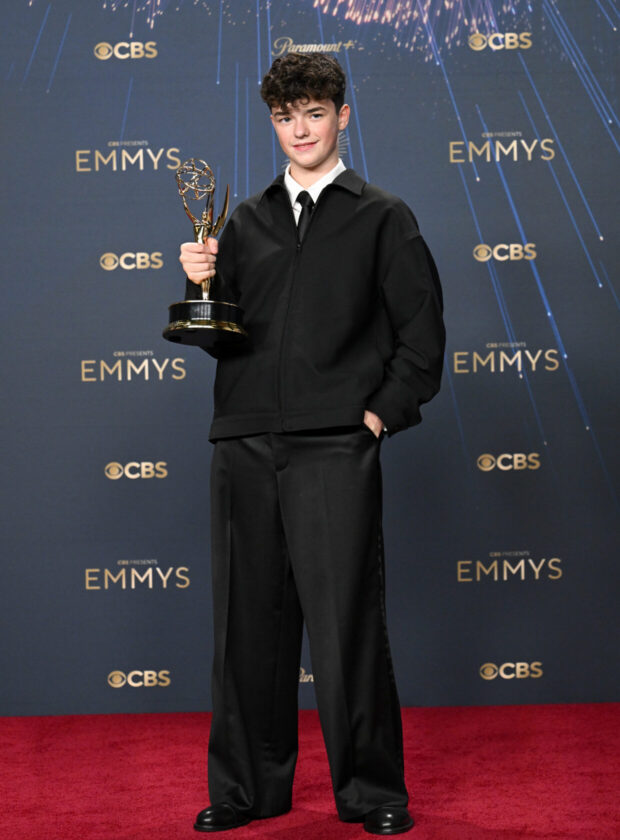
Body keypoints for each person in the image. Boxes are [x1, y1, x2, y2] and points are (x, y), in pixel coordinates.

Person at [180, 53, 445, 835]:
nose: (300, 129)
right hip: (243, 444)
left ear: (342, 116)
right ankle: (246, 791)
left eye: (315, 113)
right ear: (273, 123)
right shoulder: (244, 220)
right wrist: (200, 284)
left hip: (334, 447)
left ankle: (372, 794)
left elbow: (422, 340)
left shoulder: (383, 217)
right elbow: (220, 337)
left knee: (346, 627)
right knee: (246, 629)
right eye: (285, 116)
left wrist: (375, 417)